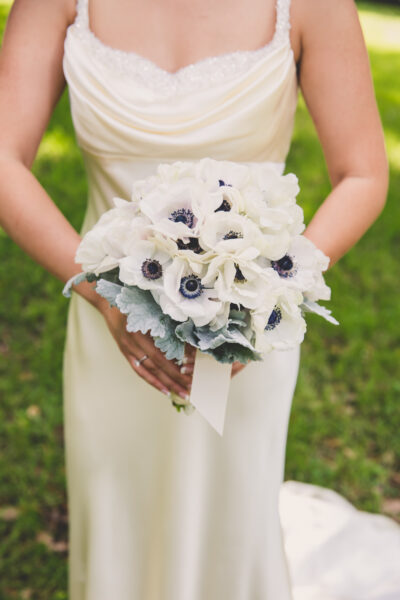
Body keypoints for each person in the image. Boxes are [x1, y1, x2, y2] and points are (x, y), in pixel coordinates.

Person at [0, 0, 399, 598]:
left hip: (247, 331)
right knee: (119, 507)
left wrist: (270, 291)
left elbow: (363, 172)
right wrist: (102, 293)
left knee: (230, 519)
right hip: (108, 325)